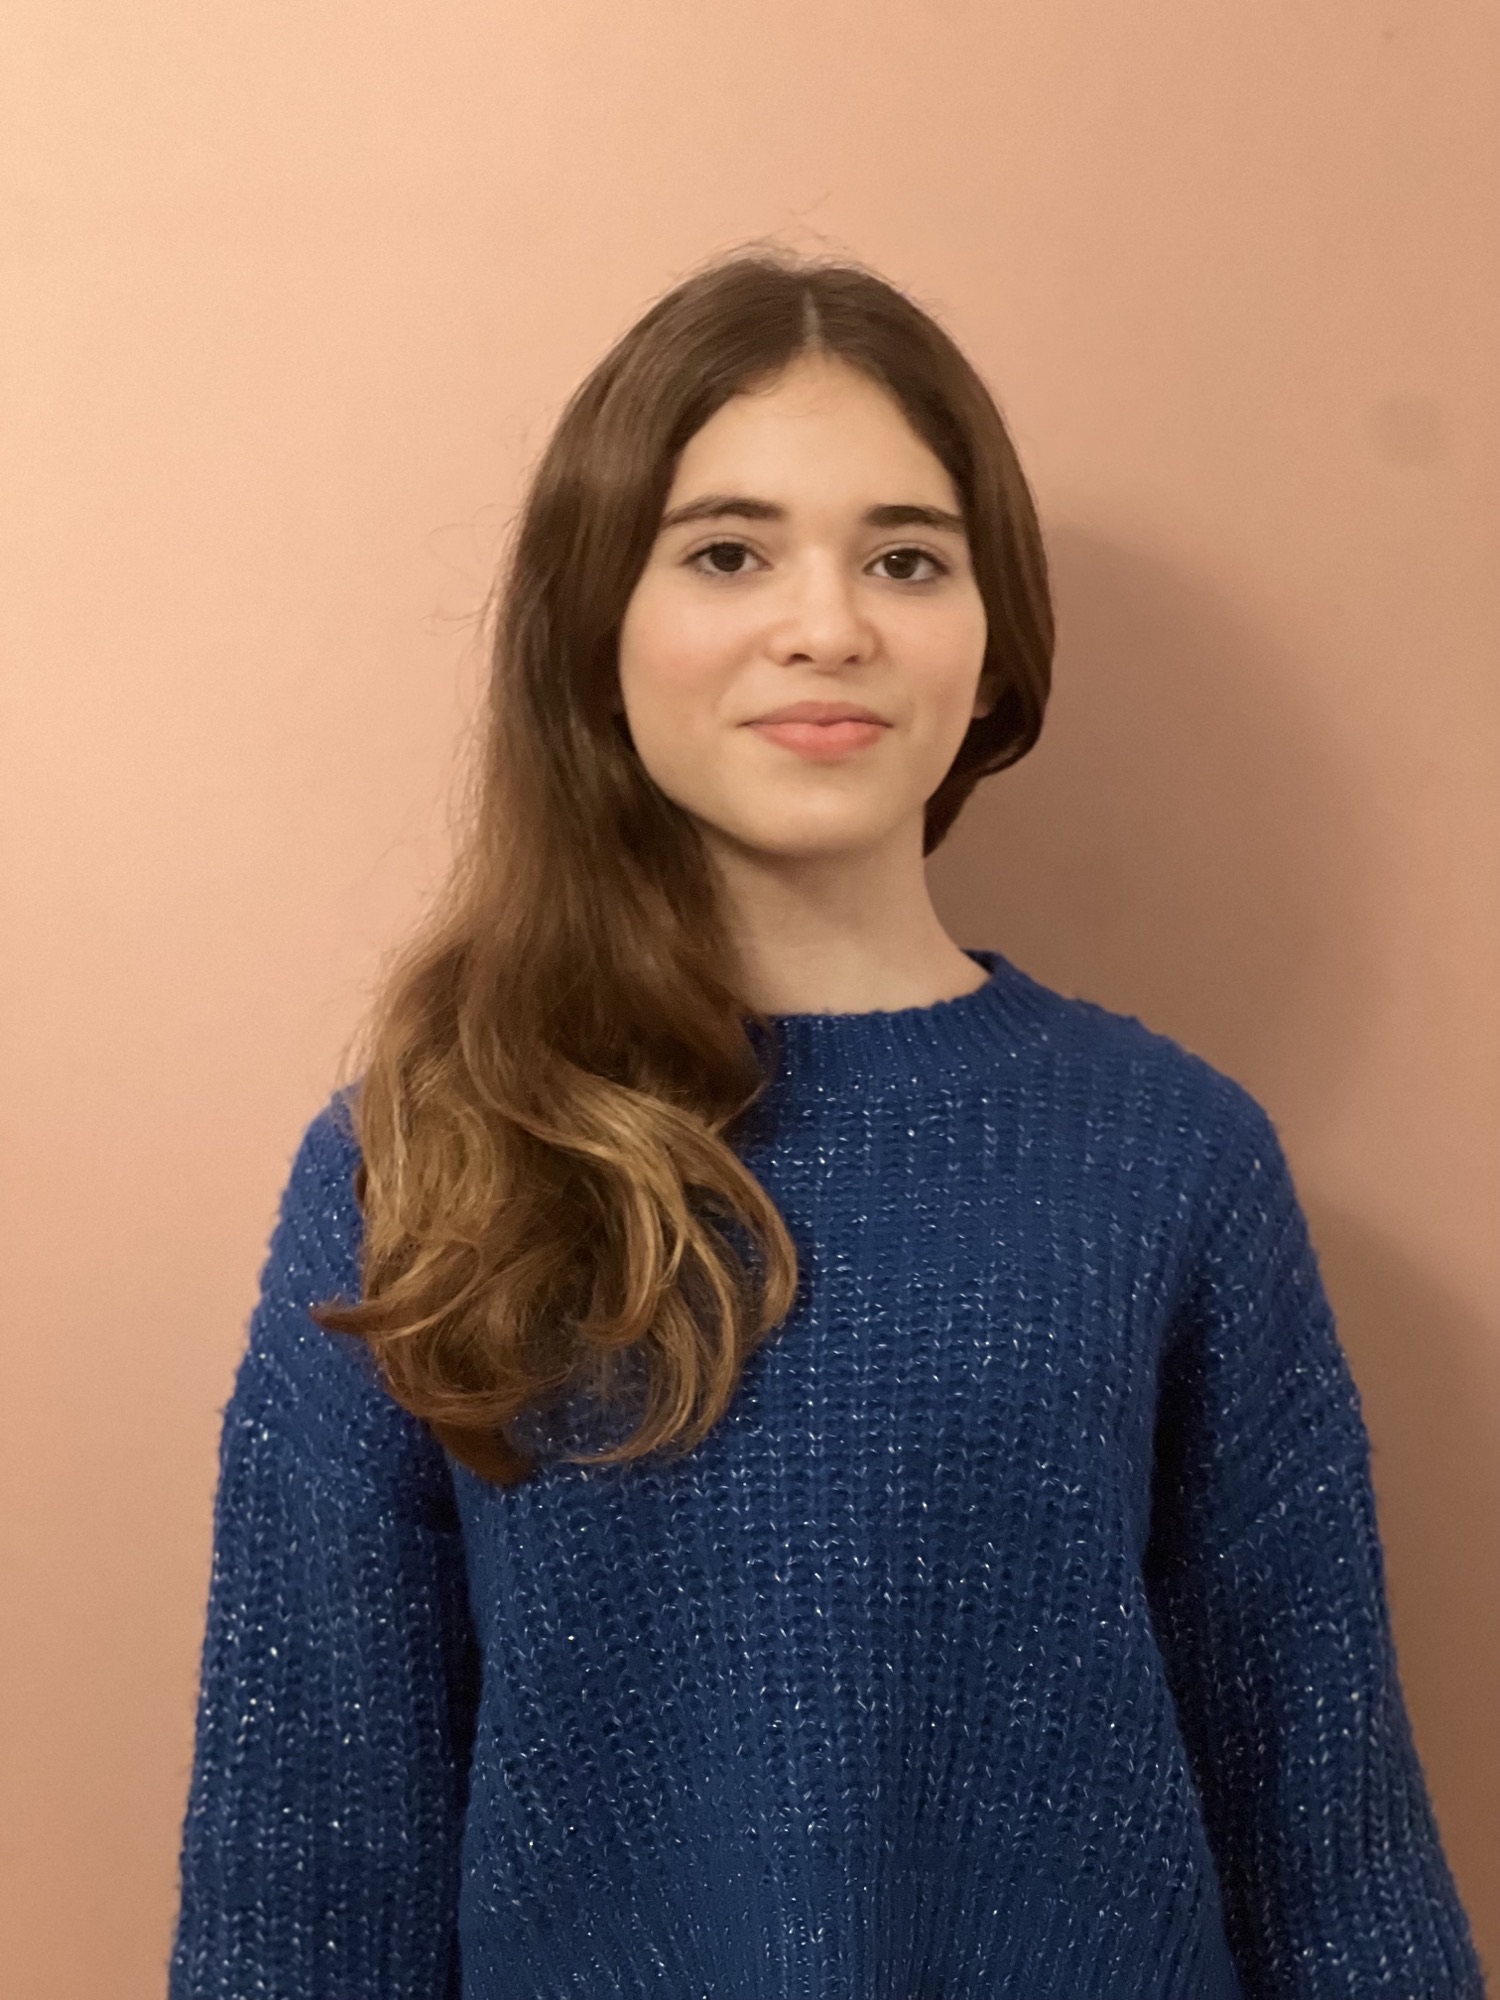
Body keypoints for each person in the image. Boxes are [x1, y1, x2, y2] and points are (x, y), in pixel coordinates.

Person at [168, 248, 1485, 1999]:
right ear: (598, 628)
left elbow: (1327, 1840)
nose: (829, 624)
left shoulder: (1175, 1160)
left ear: (992, 646)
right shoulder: (423, 1154)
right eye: (729, 552)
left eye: (905, 558)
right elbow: (304, 1872)